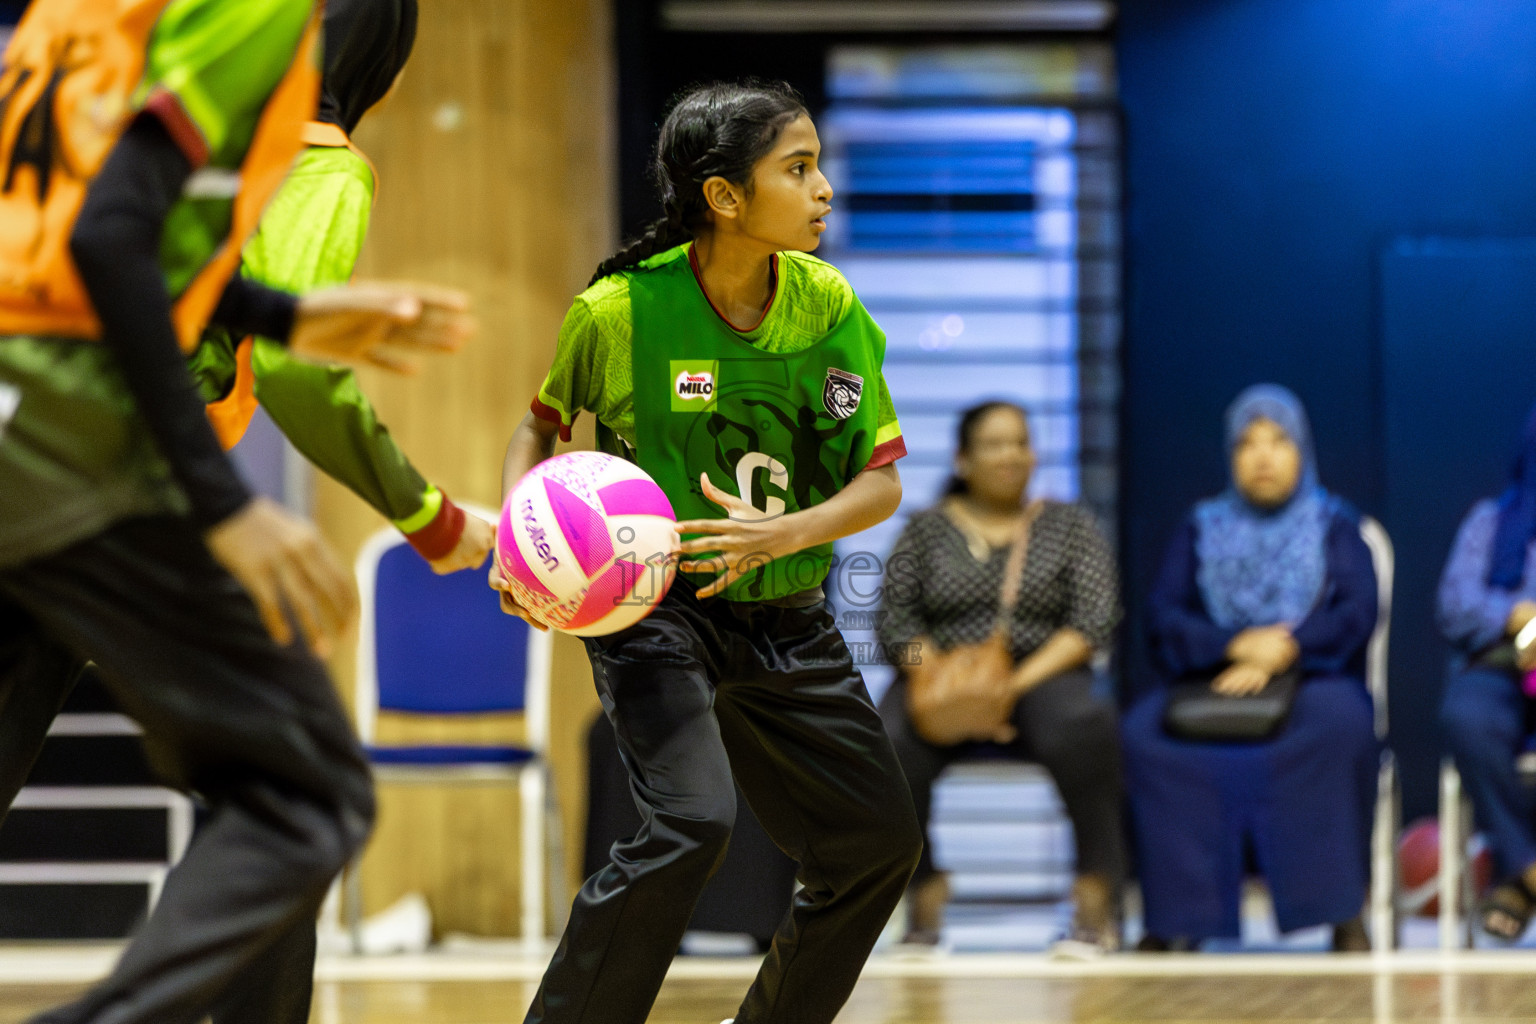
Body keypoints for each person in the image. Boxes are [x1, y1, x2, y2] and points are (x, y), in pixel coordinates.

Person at [0, 2, 471, 1022]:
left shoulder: (70, 24)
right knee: (302, 793)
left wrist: (277, 311)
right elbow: (122, 245)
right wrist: (423, 516)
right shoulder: (286, 84)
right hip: (77, 458)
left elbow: (90, 240)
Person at [490, 81, 922, 1024]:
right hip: (657, 611)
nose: (824, 190)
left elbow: (883, 482)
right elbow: (539, 431)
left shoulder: (829, 307)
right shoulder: (616, 312)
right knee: (692, 821)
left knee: (877, 844)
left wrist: (788, 532)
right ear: (724, 197)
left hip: (789, 613)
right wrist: (515, 541)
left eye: (818, 167)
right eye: (797, 169)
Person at [1121, 385, 1378, 952]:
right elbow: (1163, 615)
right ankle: (1177, 917)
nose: (1262, 456)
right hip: (1215, 675)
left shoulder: (1332, 523)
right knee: (1145, 733)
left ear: (1302, 451)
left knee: (1341, 725)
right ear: (1230, 456)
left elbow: (1358, 610)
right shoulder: (1201, 526)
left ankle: (1340, 911)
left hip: (1312, 676)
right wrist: (1235, 644)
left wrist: (1285, 648)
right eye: (1247, 443)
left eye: (1278, 441)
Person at [874, 400, 1125, 953]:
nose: (1011, 455)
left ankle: (1094, 894)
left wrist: (1007, 688)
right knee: (886, 740)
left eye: (1020, 442)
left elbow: (1093, 621)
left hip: (1042, 672)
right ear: (963, 458)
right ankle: (925, 887)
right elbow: (892, 624)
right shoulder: (925, 529)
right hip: (938, 672)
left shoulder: (1068, 525)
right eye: (994, 444)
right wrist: (931, 675)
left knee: (1084, 724)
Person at [1437, 403, 1536, 941]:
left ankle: (1515, 883)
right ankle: (1527, 865)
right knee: (1467, 718)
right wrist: (1513, 617)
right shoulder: (1489, 521)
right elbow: (1454, 604)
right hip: (1500, 663)